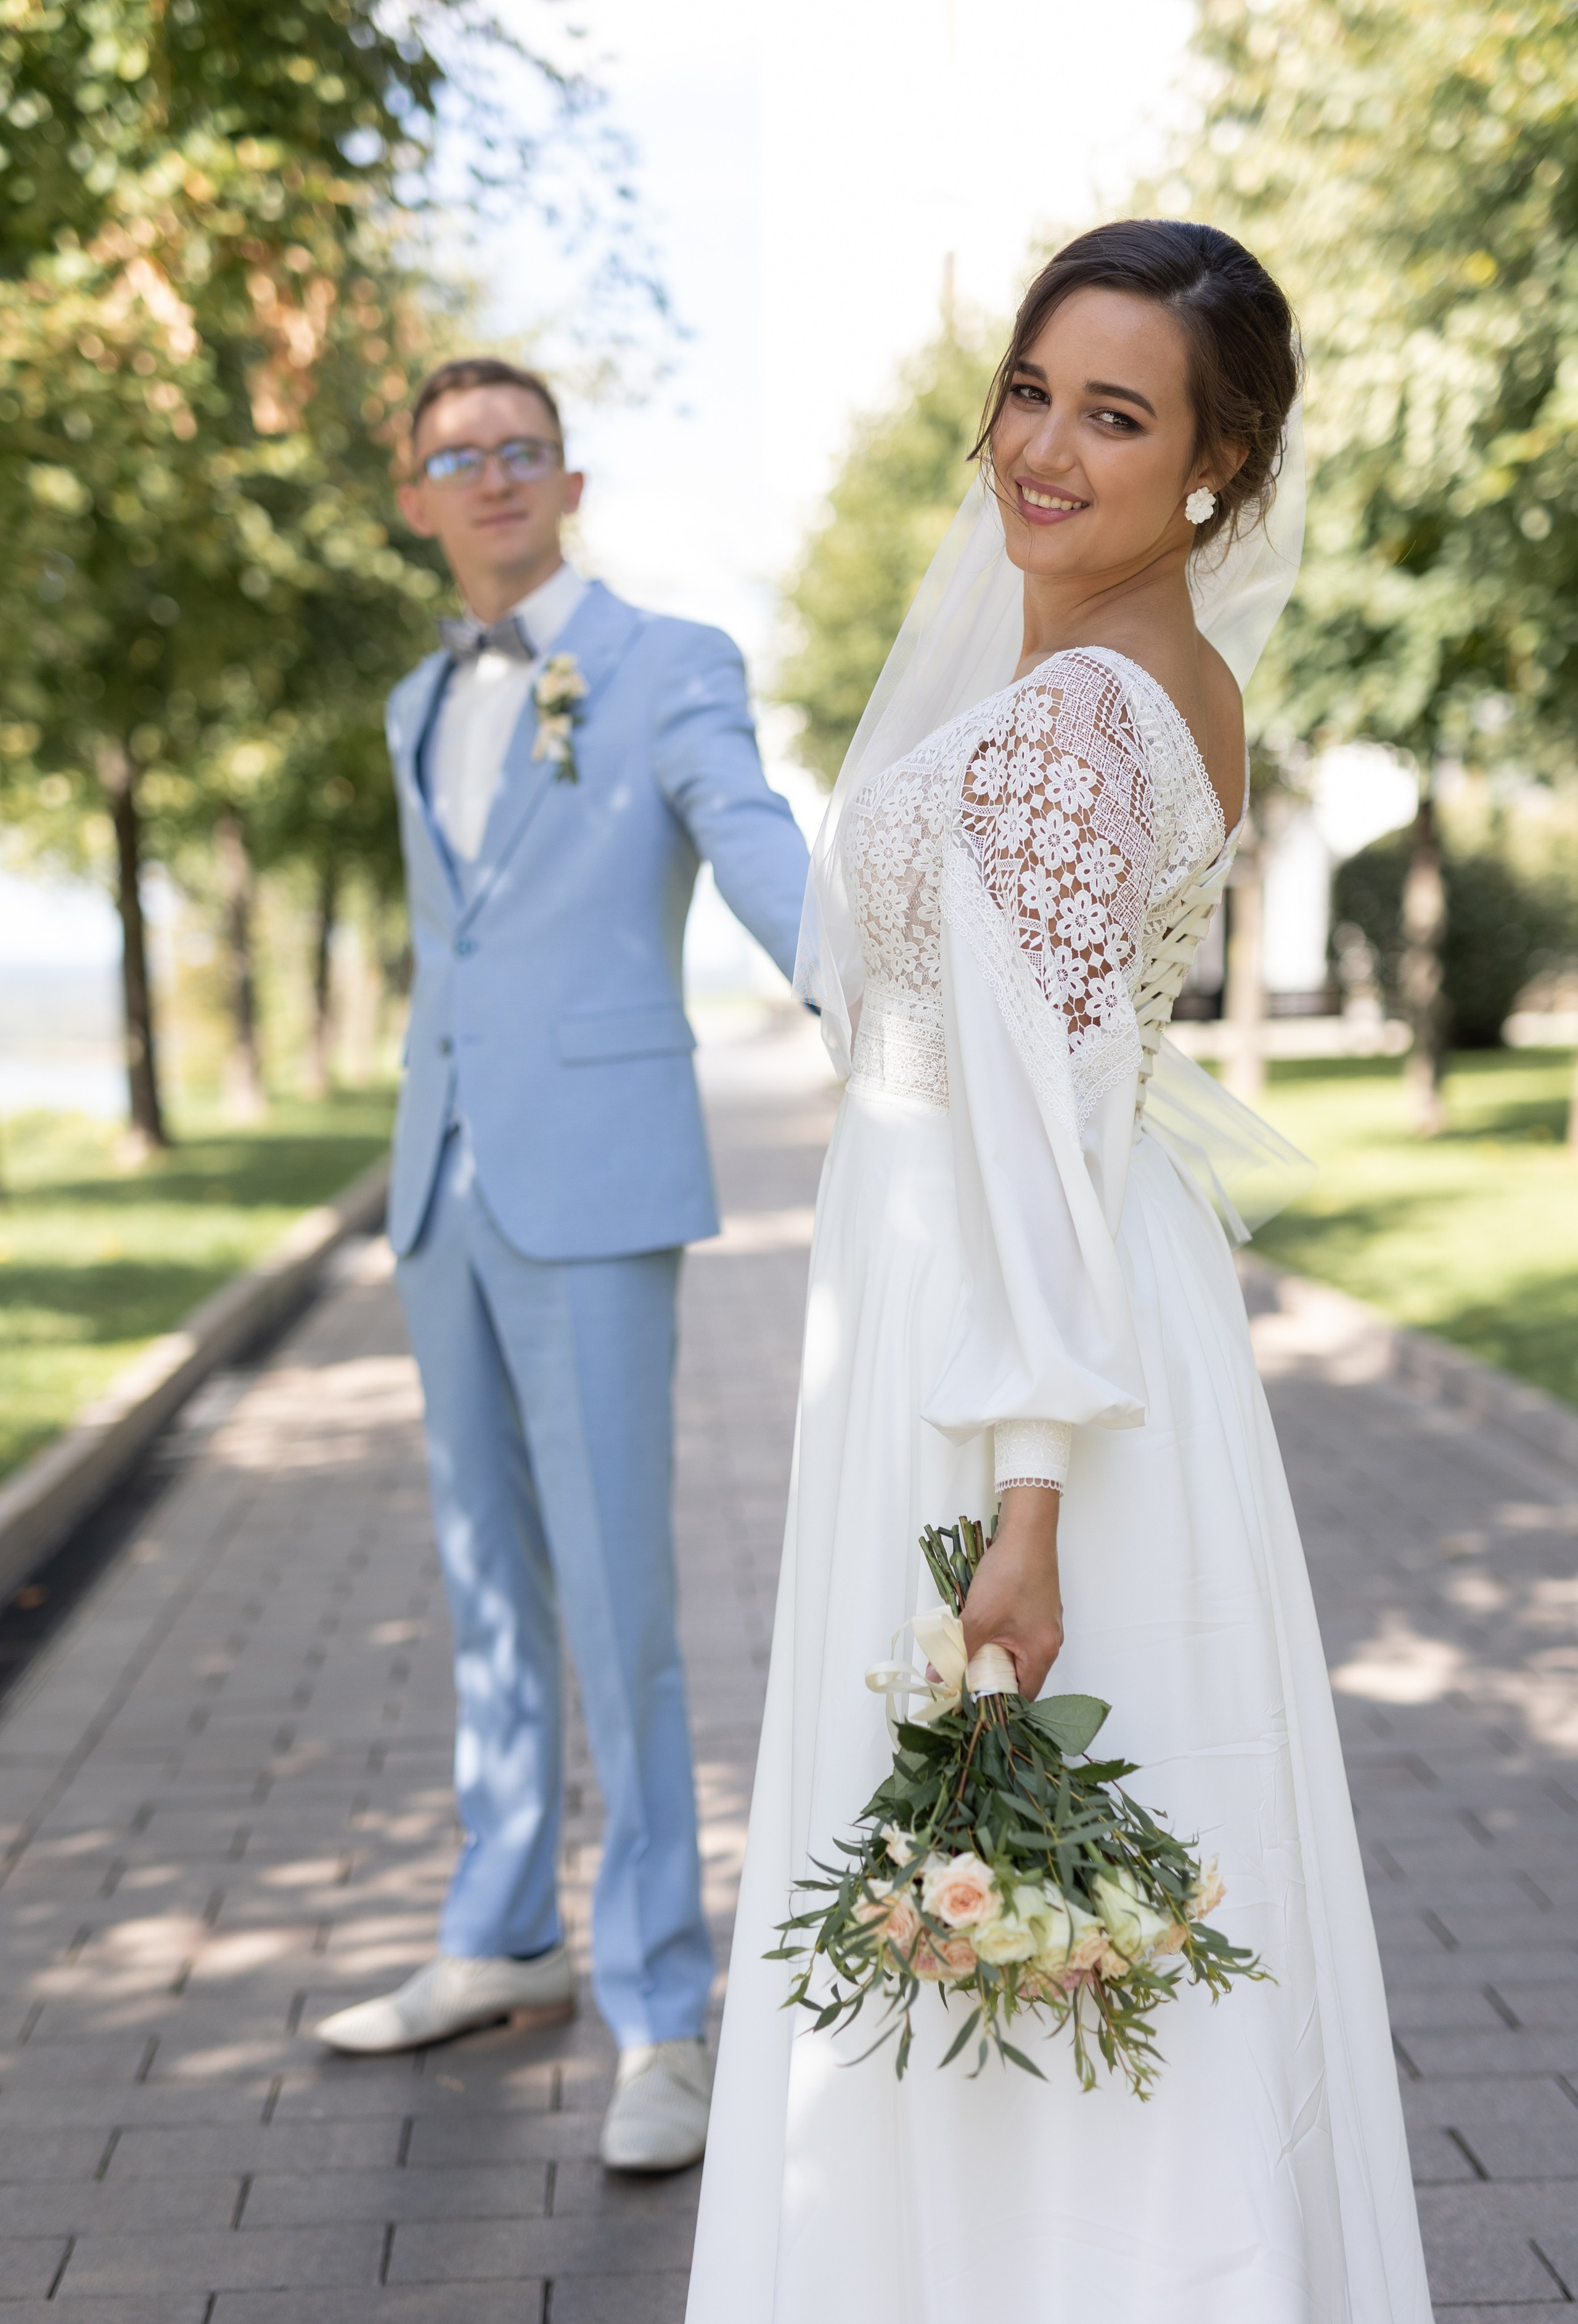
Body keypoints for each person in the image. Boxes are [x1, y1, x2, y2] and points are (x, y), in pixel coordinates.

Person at [686, 223, 1433, 2319]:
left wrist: (1018, 1512)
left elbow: (1033, 1130)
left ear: (1220, 463)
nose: (1043, 447)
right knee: (1103, 1875)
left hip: (1007, 1355)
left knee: (1013, 1863)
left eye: (1117, 415)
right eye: (1032, 391)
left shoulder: (1056, 728)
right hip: (1075, 1316)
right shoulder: (1175, 684)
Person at [314, 357, 810, 2175]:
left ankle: (666, 2006)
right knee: (484, 1584)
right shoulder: (408, 699)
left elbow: (748, 837)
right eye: (460, 456)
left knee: (622, 1606)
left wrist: (874, 982)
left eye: (523, 449)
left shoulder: (671, 662)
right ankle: (503, 1932)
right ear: (416, 497)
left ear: (572, 477)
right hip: (441, 1182)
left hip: (597, 1184)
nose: (496, 475)